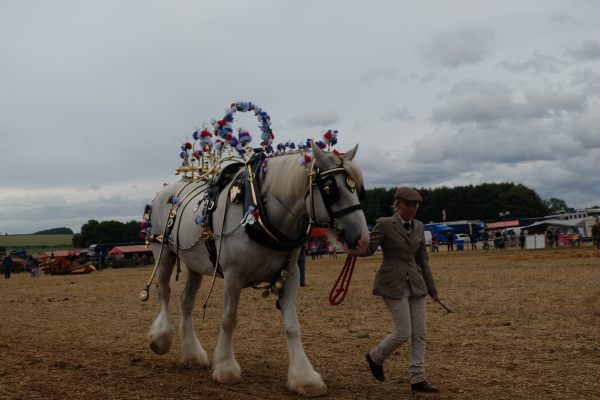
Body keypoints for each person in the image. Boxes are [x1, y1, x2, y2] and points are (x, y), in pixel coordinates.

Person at [354, 186, 439, 393]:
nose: (412, 209)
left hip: (417, 284)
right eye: (408, 205)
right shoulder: (385, 224)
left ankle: (418, 378)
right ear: (398, 204)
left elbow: (423, 260)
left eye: (415, 206)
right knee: (404, 332)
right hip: (392, 283)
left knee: (420, 333)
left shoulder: (419, 226)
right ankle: (375, 357)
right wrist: (352, 244)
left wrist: (431, 286)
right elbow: (370, 249)